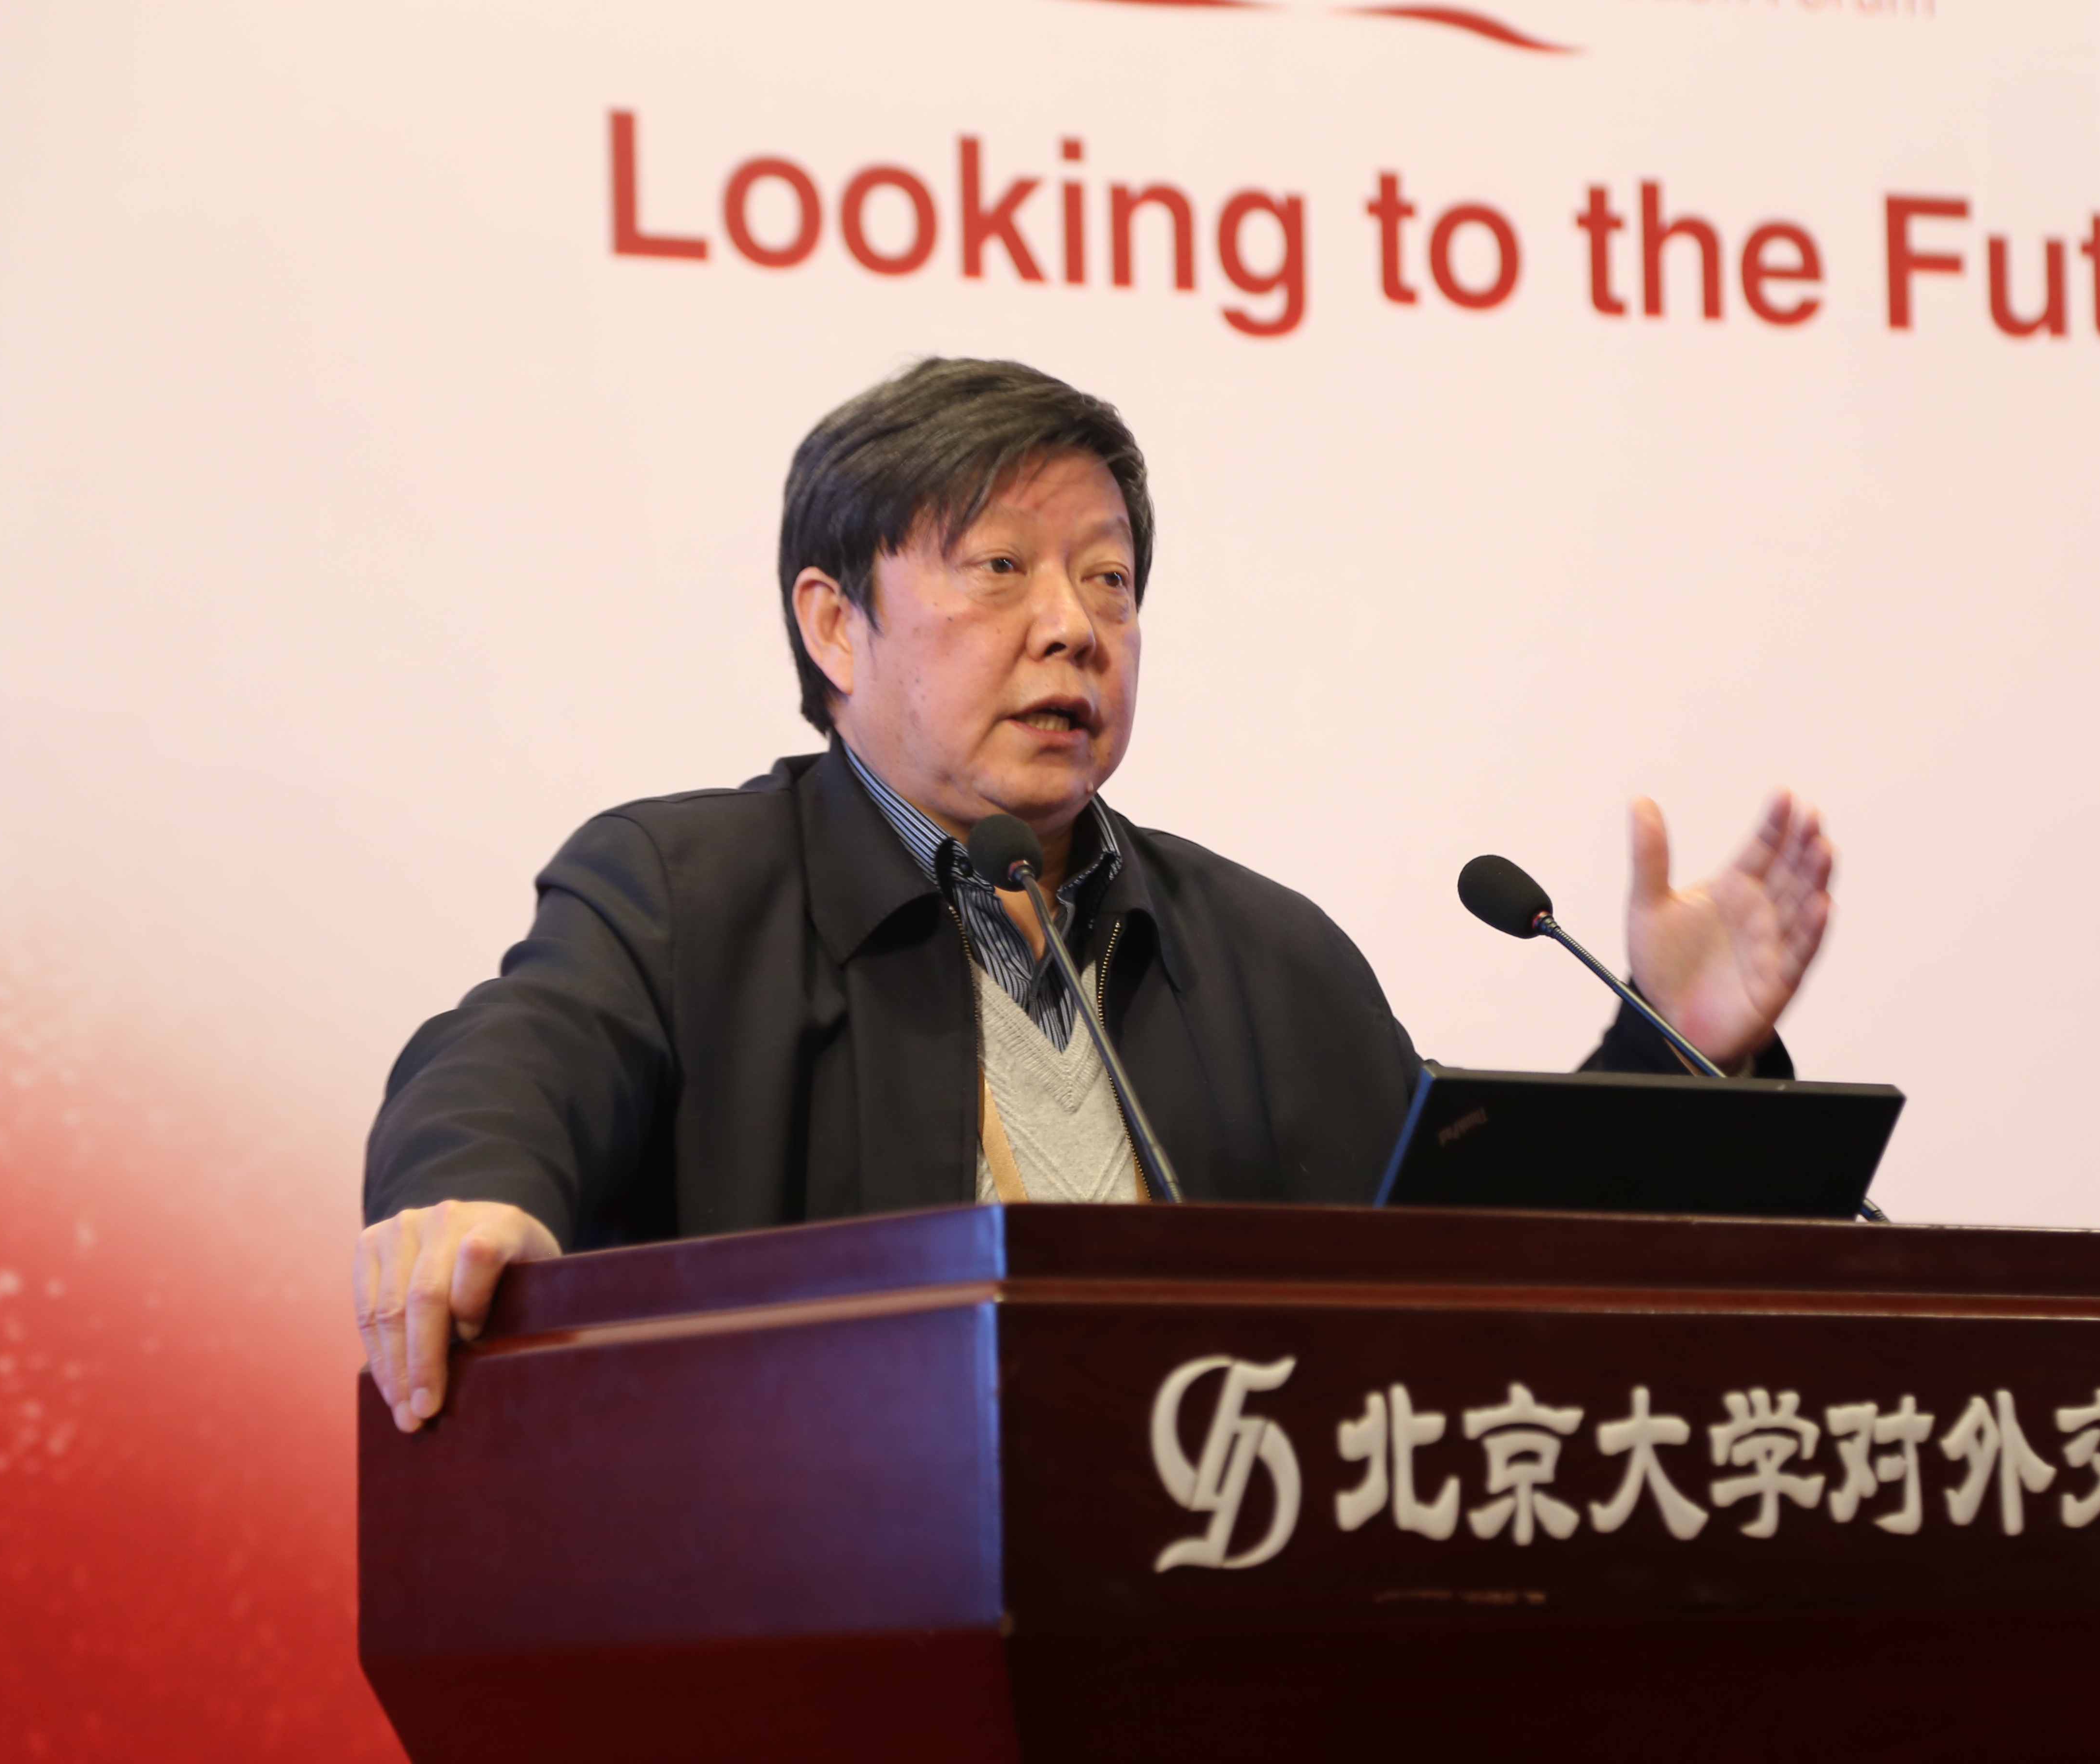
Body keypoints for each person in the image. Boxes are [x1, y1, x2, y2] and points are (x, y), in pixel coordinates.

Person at [354, 358, 1835, 1434]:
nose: (1073, 627)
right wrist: (469, 1197)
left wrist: (1674, 1054)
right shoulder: (687, 896)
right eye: (1000, 568)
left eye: (1110, 581)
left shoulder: (1266, 955)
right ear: (835, 625)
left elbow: (1470, 1283)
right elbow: (511, 1063)